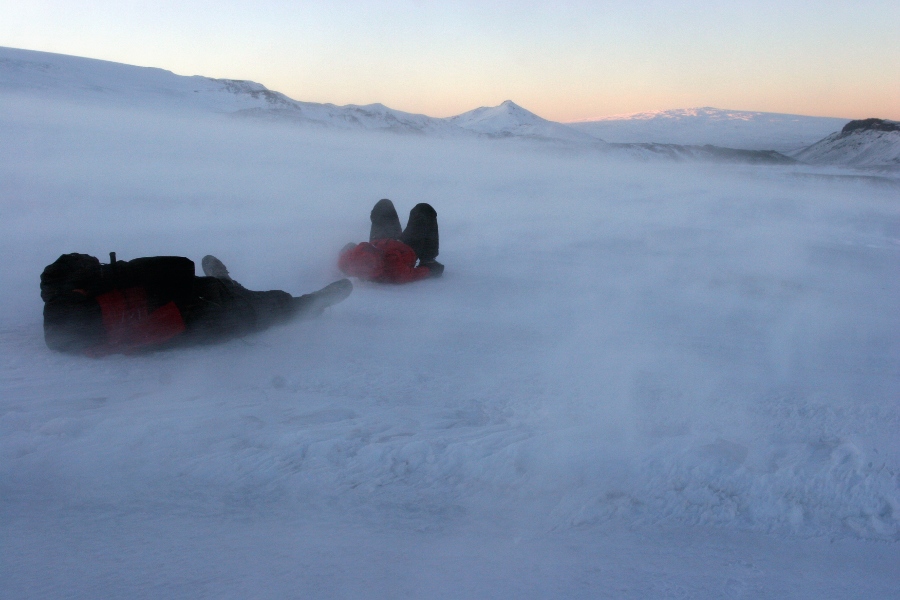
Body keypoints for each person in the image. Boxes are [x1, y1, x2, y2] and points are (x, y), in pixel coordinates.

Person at [40, 252, 352, 356]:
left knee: (234, 293)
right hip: (206, 314)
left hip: (192, 313)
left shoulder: (64, 321)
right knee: (274, 305)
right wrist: (119, 270)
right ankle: (315, 303)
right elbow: (181, 266)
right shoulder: (112, 288)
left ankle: (224, 278)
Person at [338, 199, 444, 284]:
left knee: (383, 204)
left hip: (381, 241)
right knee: (424, 210)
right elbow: (416, 274)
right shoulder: (395, 270)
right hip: (406, 246)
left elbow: (344, 256)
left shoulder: (350, 260)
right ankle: (428, 259)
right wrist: (430, 269)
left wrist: (348, 249)